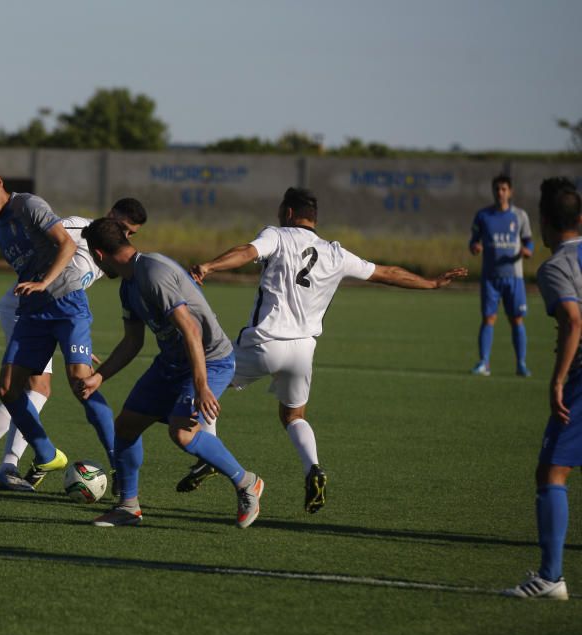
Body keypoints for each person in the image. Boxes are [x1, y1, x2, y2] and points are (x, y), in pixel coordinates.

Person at [186, 187, 467, 513]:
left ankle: (208, 457)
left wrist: (209, 266)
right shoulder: (336, 253)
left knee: (204, 381)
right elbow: (386, 273)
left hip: (265, 343)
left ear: (288, 212)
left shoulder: (277, 235)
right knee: (293, 416)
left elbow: (247, 251)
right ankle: (313, 469)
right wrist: (431, 283)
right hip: (303, 352)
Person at [74, 218, 264, 528]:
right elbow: (132, 341)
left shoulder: (152, 273)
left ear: (98, 254)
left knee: (182, 431)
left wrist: (202, 386)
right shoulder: (129, 286)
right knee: (126, 427)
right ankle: (128, 507)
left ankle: (247, 482)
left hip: (211, 359)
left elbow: (190, 329)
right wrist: (99, 377)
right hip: (172, 364)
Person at [0, 198, 148, 488]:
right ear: (111, 214)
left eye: (132, 234)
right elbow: (42, 243)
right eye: (125, 228)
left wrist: (75, 337)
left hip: (59, 310)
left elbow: (70, 283)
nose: (126, 236)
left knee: (41, 388)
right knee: (33, 388)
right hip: (26, 306)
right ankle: (4, 465)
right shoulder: (79, 228)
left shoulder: (107, 253)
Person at [504, 177, 582, 600]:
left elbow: (573, 320)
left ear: (546, 223)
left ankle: (551, 578)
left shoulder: (555, 267)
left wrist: (557, 379)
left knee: (551, 470)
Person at [469, 174, 534, 377]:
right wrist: (475, 247)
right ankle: (484, 363)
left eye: (504, 189)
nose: (500, 192)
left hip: (514, 276)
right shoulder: (483, 216)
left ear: (510, 191)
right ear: (493, 191)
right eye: (497, 189)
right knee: (488, 318)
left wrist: (528, 250)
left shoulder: (520, 216)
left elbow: (529, 241)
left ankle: (521, 364)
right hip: (490, 277)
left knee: (516, 319)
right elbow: (473, 242)